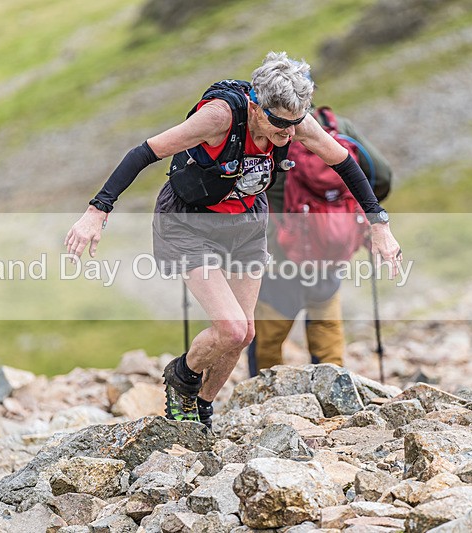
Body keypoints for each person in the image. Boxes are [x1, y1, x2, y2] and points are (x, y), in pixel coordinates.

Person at [65, 51, 401, 431]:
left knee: (245, 333)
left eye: (294, 124)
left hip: (246, 223)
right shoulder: (219, 117)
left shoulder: (294, 122)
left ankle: (202, 407)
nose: (288, 135)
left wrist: (379, 224)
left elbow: (345, 164)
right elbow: (144, 153)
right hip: (189, 222)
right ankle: (182, 377)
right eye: (280, 124)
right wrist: (97, 210)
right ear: (256, 106)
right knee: (232, 328)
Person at [248, 106, 394, 376]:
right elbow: (382, 175)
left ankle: (263, 393)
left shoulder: (269, 129)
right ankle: (332, 389)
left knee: (269, 337)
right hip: (331, 249)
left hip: (281, 253)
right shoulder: (337, 125)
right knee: (327, 327)